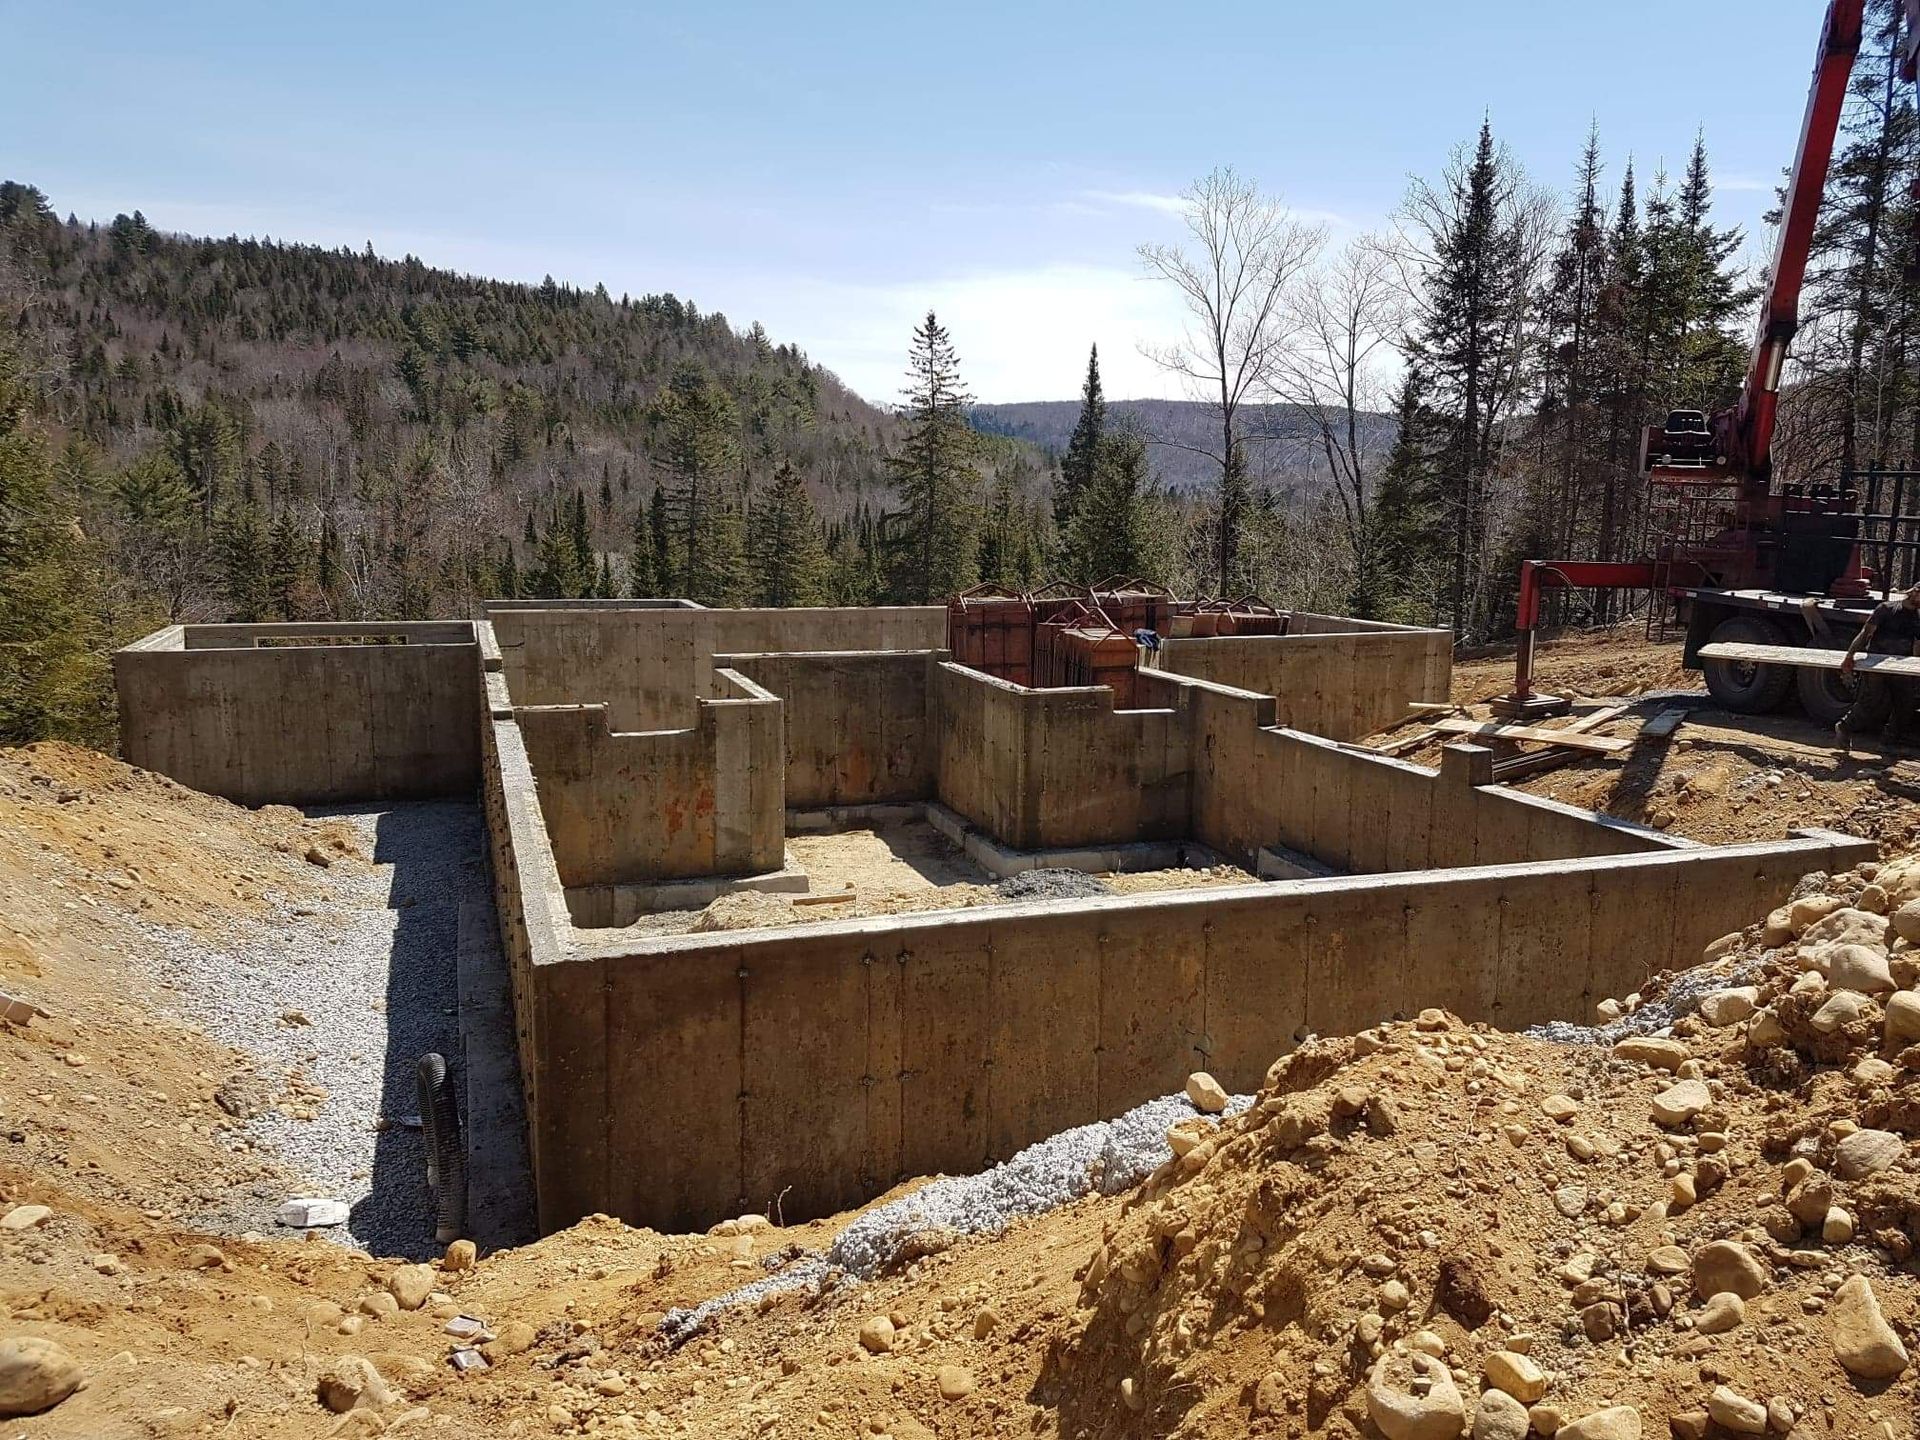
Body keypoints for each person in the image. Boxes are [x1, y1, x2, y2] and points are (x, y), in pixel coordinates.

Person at [1836, 583, 1920, 751]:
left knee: (1905, 702)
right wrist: (1849, 656)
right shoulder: (1886, 609)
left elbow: (1917, 644)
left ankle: (1888, 742)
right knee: (1872, 701)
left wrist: (1915, 666)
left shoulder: (1917, 617)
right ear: (1915, 593)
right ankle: (1844, 727)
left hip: (1901, 666)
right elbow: (1865, 633)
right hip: (1877, 662)